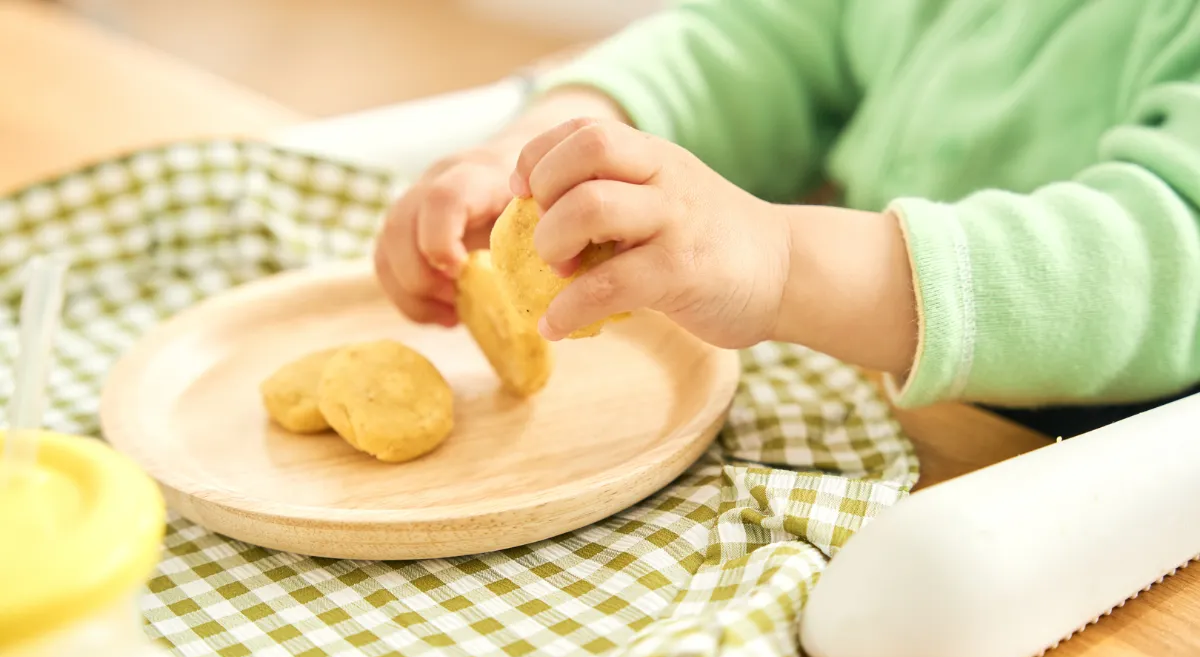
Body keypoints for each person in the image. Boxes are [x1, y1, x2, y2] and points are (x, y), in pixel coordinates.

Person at [374, 0, 1200, 438]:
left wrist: (780, 262)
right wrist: (548, 146)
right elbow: (766, 40)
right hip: (862, 399)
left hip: (1073, 475)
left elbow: (1167, 246)